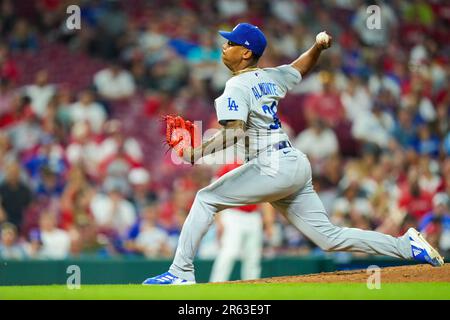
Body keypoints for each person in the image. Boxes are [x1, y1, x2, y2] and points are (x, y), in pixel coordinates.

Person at [143, 23, 444, 285]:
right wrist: (317, 46)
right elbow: (301, 67)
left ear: (246, 52)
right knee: (329, 237)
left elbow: (234, 132)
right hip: (294, 163)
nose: (224, 46)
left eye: (231, 43)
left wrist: (196, 152)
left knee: (205, 198)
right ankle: (407, 246)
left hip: (271, 166)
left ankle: (180, 271)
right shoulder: (270, 77)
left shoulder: (235, 86)